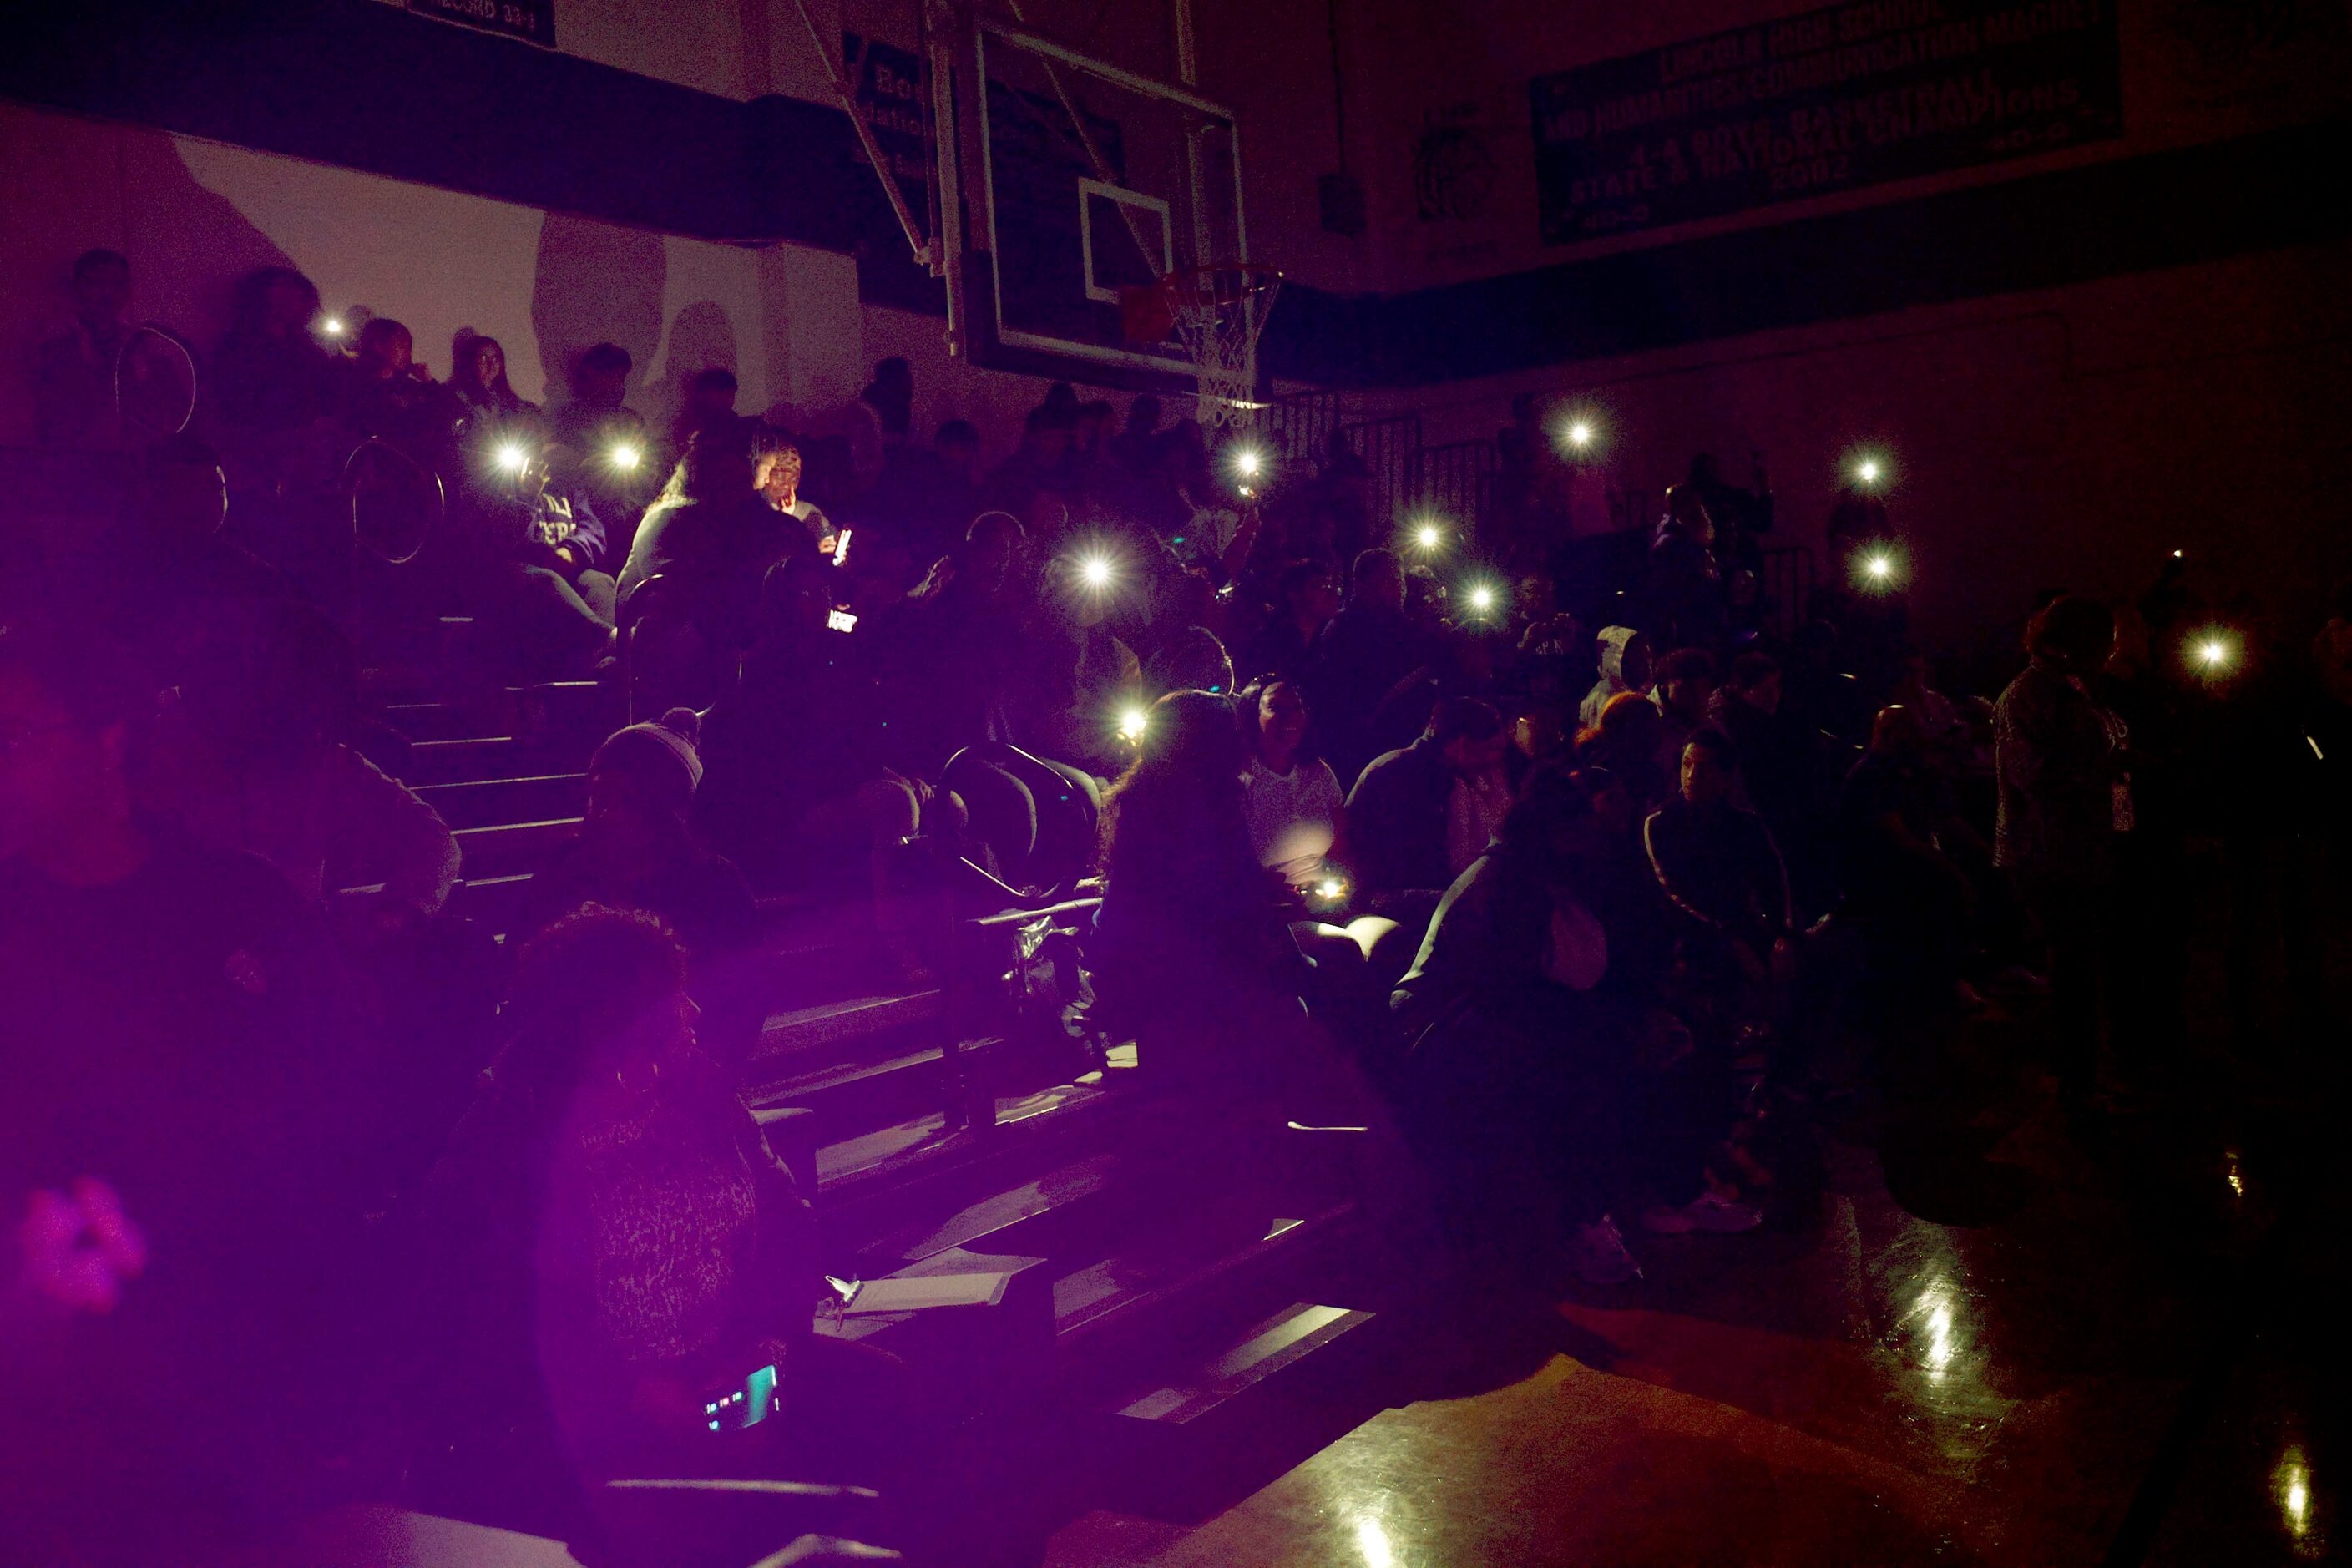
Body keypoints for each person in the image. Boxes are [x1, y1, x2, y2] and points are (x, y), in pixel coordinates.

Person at [1, 619, 370, 1560]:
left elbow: (342, 1102)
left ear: (108, 739)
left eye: (19, 736)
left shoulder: (237, 905)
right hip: (56, 1399)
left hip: (241, 1378)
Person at [403, 907, 821, 1536]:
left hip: (733, 1370)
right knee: (682, 1519)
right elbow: (493, 1319)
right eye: (672, 995)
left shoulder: (700, 1096)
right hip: (591, 1420)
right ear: (610, 1021)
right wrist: (637, 1395)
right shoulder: (506, 1142)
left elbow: (788, 1230)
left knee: (888, 1405)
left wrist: (764, 1359)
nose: (694, 1012)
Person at [1392, 766, 1758, 1287]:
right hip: (1445, 1029)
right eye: (1578, 829)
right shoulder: (1502, 884)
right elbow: (1510, 993)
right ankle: (1583, 1222)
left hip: (1499, 1013)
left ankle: (1670, 1186)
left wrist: (1644, 1014)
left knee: (1670, 1037)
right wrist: (1616, 1027)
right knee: (1586, 1068)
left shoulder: (1547, 875)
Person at [1090, 690, 1310, 1093]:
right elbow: (1215, 908)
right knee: (1299, 992)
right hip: (1186, 971)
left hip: (1141, 963)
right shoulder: (1206, 805)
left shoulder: (1141, 799)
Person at [522, 709, 761, 1070]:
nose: (605, 814)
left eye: (626, 800)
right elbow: (528, 976)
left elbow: (742, 999)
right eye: (598, 797)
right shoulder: (563, 873)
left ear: (665, 811)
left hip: (683, 1070)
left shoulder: (716, 887)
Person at [1994, 594, 2131, 1108]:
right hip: (2048, 855)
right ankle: (2075, 1084)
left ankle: (2084, 1077)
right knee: (2072, 970)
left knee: (2081, 968)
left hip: (2075, 851)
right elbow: (2035, 775)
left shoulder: (2067, 689)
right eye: (2104, 645)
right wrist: (2107, 768)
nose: (2111, 654)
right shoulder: (2029, 695)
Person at [1644, 728, 1795, 1009]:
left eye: (1703, 768)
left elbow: (1774, 878)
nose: (1691, 777)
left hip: (1741, 926)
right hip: (1692, 938)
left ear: (1725, 778)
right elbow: (1674, 897)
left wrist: (1781, 936)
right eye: (1687, 765)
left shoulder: (1744, 823)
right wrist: (1731, 941)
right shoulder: (1662, 823)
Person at [1344, 695, 1515, 908]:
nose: (1496, 759)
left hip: (1412, 888)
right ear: (1462, 745)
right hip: (1382, 896)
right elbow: (1406, 866)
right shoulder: (1401, 776)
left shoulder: (1439, 774)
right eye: (1490, 749)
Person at [1310, 547, 1424, 777]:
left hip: (1402, 739)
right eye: (1388, 580)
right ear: (1362, 584)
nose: (1399, 589)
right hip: (1361, 746)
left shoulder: (1404, 627)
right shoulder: (1342, 630)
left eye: (1400, 580)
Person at [1239, 677, 1348, 893]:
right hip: (1274, 911)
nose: (1291, 717)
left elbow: (1344, 844)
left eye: (1296, 707)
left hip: (1325, 900)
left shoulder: (1318, 773)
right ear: (1253, 715)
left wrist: (1342, 883)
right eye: (1276, 708)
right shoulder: (1241, 782)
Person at [32, 247, 134, 448]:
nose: (107, 293)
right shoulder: (54, 347)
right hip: (73, 461)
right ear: (77, 288)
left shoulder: (140, 344)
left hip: (129, 462)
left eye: (116, 283)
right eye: (97, 283)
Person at [1237, 559, 1341, 685]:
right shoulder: (1270, 641)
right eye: (1317, 586)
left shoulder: (1327, 638)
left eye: (1329, 586)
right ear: (1293, 594)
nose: (1329, 593)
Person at [1651, 647, 1719, 781]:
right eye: (1688, 689)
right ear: (1664, 684)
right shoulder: (1645, 720)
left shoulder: (1708, 724)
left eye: (1703, 689)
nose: (1698, 698)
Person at [756, 438, 834, 554]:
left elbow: (829, 540)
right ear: (766, 476)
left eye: (793, 479)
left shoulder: (810, 514)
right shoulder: (754, 512)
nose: (786, 485)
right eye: (780, 476)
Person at [1578, 625, 1652, 731]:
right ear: (1615, 661)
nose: (1645, 663)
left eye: (1646, 655)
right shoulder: (1603, 698)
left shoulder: (1644, 690)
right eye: (1637, 656)